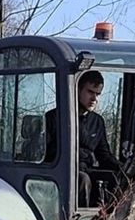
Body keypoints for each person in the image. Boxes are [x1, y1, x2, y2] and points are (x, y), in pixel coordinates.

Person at [45, 70, 118, 205]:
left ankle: (109, 216)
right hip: (60, 172)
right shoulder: (54, 118)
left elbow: (104, 156)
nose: (94, 99)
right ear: (77, 90)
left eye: (98, 94)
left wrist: (124, 169)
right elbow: (45, 154)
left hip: (86, 168)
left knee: (116, 178)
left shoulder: (97, 122)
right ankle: (79, 217)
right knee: (82, 179)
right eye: (90, 92)